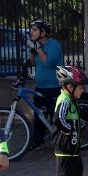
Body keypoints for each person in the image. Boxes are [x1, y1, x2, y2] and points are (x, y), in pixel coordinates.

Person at [52, 65, 88, 176]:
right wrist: (68, 129)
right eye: (80, 87)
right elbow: (58, 118)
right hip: (64, 147)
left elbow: (83, 113)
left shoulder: (72, 99)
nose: (83, 90)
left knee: (76, 173)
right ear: (69, 86)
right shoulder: (65, 100)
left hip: (74, 147)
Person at [27, 19, 63, 151]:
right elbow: (33, 63)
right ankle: (38, 141)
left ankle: (62, 141)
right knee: (39, 116)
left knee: (55, 116)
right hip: (40, 86)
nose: (31, 32)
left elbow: (48, 63)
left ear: (43, 32)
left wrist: (40, 49)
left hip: (53, 87)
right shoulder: (37, 45)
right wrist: (32, 51)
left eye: (35, 29)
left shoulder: (54, 45)